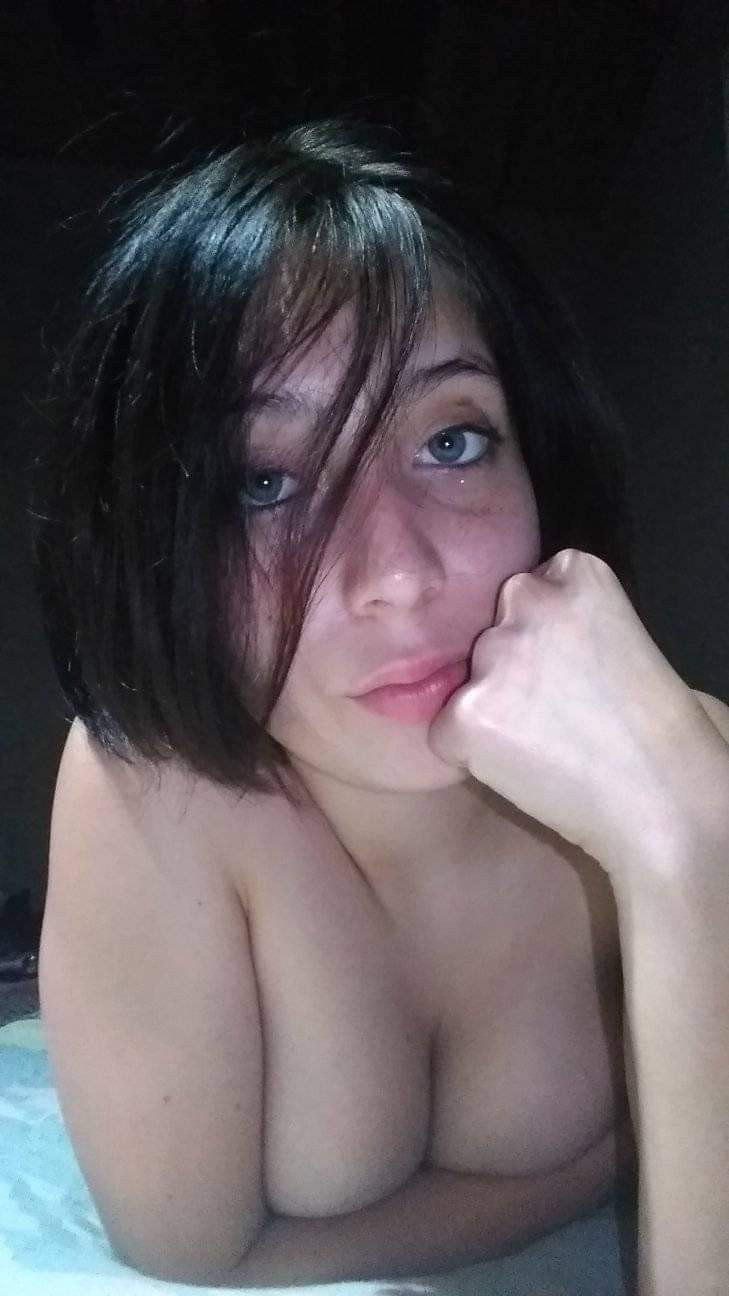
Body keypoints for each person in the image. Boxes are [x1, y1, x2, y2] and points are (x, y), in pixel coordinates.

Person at [29, 117, 728, 1290]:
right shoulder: (152, 781)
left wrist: (687, 853)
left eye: (453, 442)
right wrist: (606, 1168)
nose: (397, 573)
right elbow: (187, 1250)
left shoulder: (690, 777)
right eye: (264, 482)